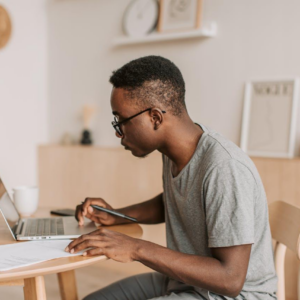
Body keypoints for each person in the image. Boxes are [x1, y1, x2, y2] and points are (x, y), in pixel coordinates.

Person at [65, 56, 277, 300]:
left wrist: (135, 248)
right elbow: (175, 202)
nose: (117, 132)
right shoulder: (175, 151)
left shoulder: (224, 168)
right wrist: (117, 215)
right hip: (186, 282)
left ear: (155, 117)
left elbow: (230, 279)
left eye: (121, 121)